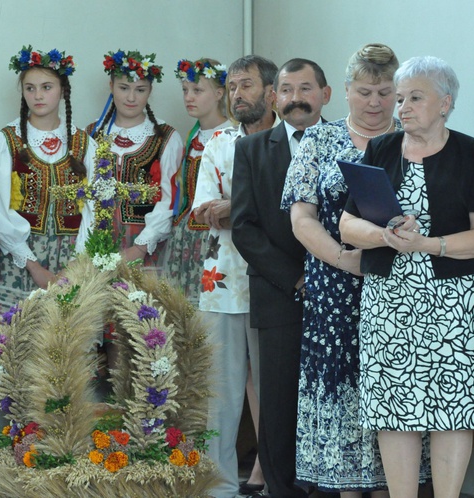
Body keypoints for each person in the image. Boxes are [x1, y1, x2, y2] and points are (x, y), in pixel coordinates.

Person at [339, 56, 474, 498]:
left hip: (453, 301)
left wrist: (428, 244)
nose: (401, 107)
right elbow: (347, 226)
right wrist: (384, 236)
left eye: (415, 97)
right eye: (400, 97)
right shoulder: (381, 150)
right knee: (393, 411)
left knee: (453, 408)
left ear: (445, 103)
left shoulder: (470, 152)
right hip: (389, 299)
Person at [280, 43, 404, 497]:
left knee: (393, 392)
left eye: (386, 92)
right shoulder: (318, 139)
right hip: (335, 285)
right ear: (346, 91)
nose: (375, 102)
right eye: (365, 91)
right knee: (344, 393)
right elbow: (301, 218)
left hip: (400, 288)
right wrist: (344, 259)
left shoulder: (412, 140)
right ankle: (347, 488)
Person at [232, 58, 331, 498]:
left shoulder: (348, 142)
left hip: (342, 294)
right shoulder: (252, 150)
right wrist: (296, 279)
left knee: (333, 397)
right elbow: (244, 227)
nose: (296, 99)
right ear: (275, 97)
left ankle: (333, 487)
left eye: (306, 89)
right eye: (287, 90)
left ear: (326, 94)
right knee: (278, 402)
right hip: (279, 293)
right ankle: (282, 489)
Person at [192, 55, 279, 498]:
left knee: (273, 387)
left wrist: (237, 208)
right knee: (219, 391)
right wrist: (244, 210)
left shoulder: (290, 140)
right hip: (221, 280)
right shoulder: (219, 143)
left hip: (274, 280)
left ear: (270, 90)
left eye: (246, 85)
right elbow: (202, 210)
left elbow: (290, 213)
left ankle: (271, 477)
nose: (237, 94)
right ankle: (219, 484)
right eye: (231, 87)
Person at [0, 46, 95, 330]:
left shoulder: (84, 143)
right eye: (30, 88)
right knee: (16, 343)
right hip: (18, 259)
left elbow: (94, 209)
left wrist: (76, 266)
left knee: (64, 346)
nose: (38, 95)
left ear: (63, 90)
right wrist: (33, 266)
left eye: (47, 87)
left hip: (71, 260)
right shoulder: (5, 141)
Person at [87, 49, 183, 268]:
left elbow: (169, 199)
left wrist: (140, 246)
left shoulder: (166, 137)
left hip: (148, 243)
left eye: (140, 90)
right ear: (111, 87)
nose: (131, 98)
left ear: (150, 91)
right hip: (96, 239)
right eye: (123, 88)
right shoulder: (92, 133)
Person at [164, 58, 231, 305]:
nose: (189, 97)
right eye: (185, 91)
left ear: (219, 93)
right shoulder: (191, 138)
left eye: (197, 90)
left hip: (216, 236)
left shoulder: (232, 135)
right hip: (186, 237)